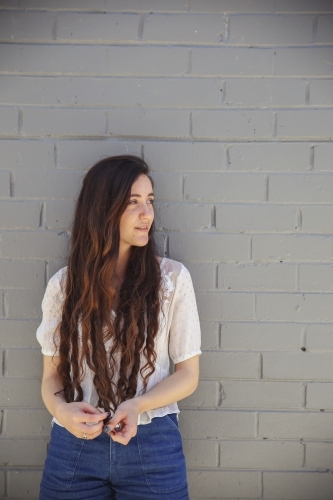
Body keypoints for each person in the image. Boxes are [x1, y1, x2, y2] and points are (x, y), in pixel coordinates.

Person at [36, 155, 201, 500]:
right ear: (103, 209)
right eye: (133, 202)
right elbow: (51, 378)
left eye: (150, 201)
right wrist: (63, 411)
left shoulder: (172, 279)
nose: (147, 214)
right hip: (74, 448)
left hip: (153, 444)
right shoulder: (63, 287)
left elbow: (188, 374)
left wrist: (137, 405)